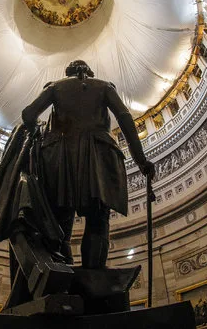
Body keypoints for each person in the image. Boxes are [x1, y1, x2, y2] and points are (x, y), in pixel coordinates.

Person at [21, 60, 155, 268]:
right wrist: (141, 160)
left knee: (59, 223)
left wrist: (38, 132)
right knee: (98, 221)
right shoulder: (104, 86)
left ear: (68, 72)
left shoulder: (55, 86)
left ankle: (61, 275)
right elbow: (125, 118)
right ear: (89, 73)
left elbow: (28, 114)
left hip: (59, 159)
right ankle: (94, 277)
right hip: (98, 157)